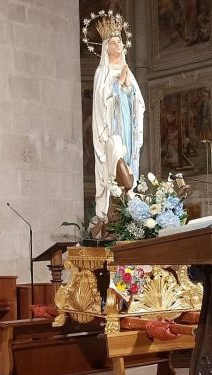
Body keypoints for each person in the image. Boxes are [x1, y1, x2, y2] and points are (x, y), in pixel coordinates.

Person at [91, 15, 145, 233]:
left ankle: (128, 190)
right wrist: (118, 84)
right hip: (111, 127)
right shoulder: (102, 72)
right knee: (115, 149)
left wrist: (128, 87)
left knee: (127, 154)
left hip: (127, 125)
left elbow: (139, 103)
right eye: (113, 43)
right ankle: (119, 191)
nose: (118, 45)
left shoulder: (127, 70)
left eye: (120, 42)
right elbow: (100, 102)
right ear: (106, 47)